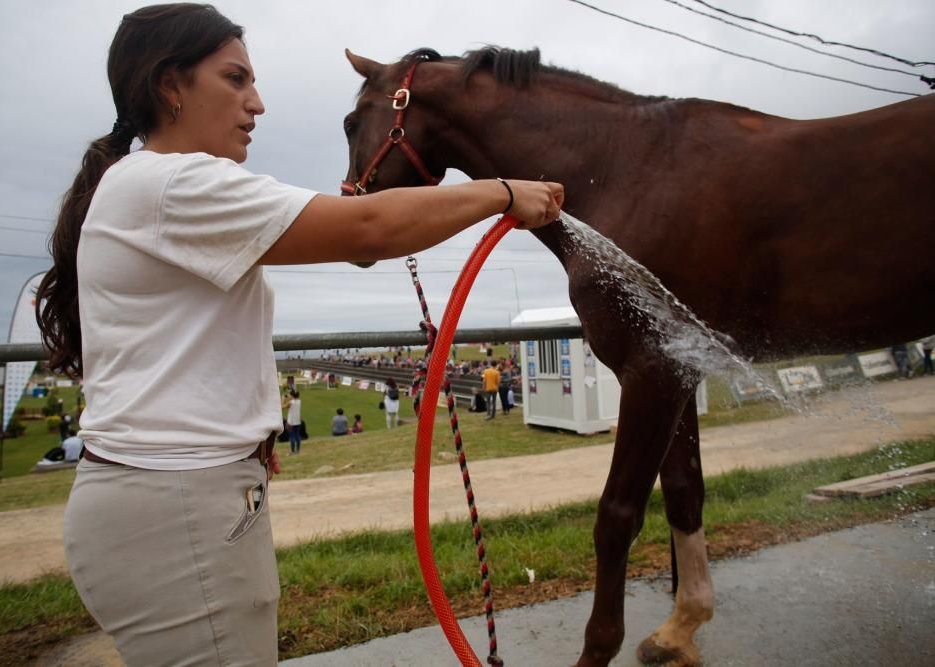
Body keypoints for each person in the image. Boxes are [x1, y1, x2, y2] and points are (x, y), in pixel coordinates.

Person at [33, 5, 562, 666]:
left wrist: (247, 440)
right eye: (234, 79)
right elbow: (367, 227)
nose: (257, 104)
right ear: (170, 85)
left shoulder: (146, 186)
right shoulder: (176, 184)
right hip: (181, 511)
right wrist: (503, 192)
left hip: (169, 503)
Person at [283, 390, 302, 454]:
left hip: (291, 422)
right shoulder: (299, 401)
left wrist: (284, 399)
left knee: (292, 437)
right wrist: (289, 397)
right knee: (297, 436)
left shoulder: (291, 402)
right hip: (297, 421)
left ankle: (292, 451)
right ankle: (298, 450)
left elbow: (282, 407)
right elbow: (293, 399)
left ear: (292, 395)